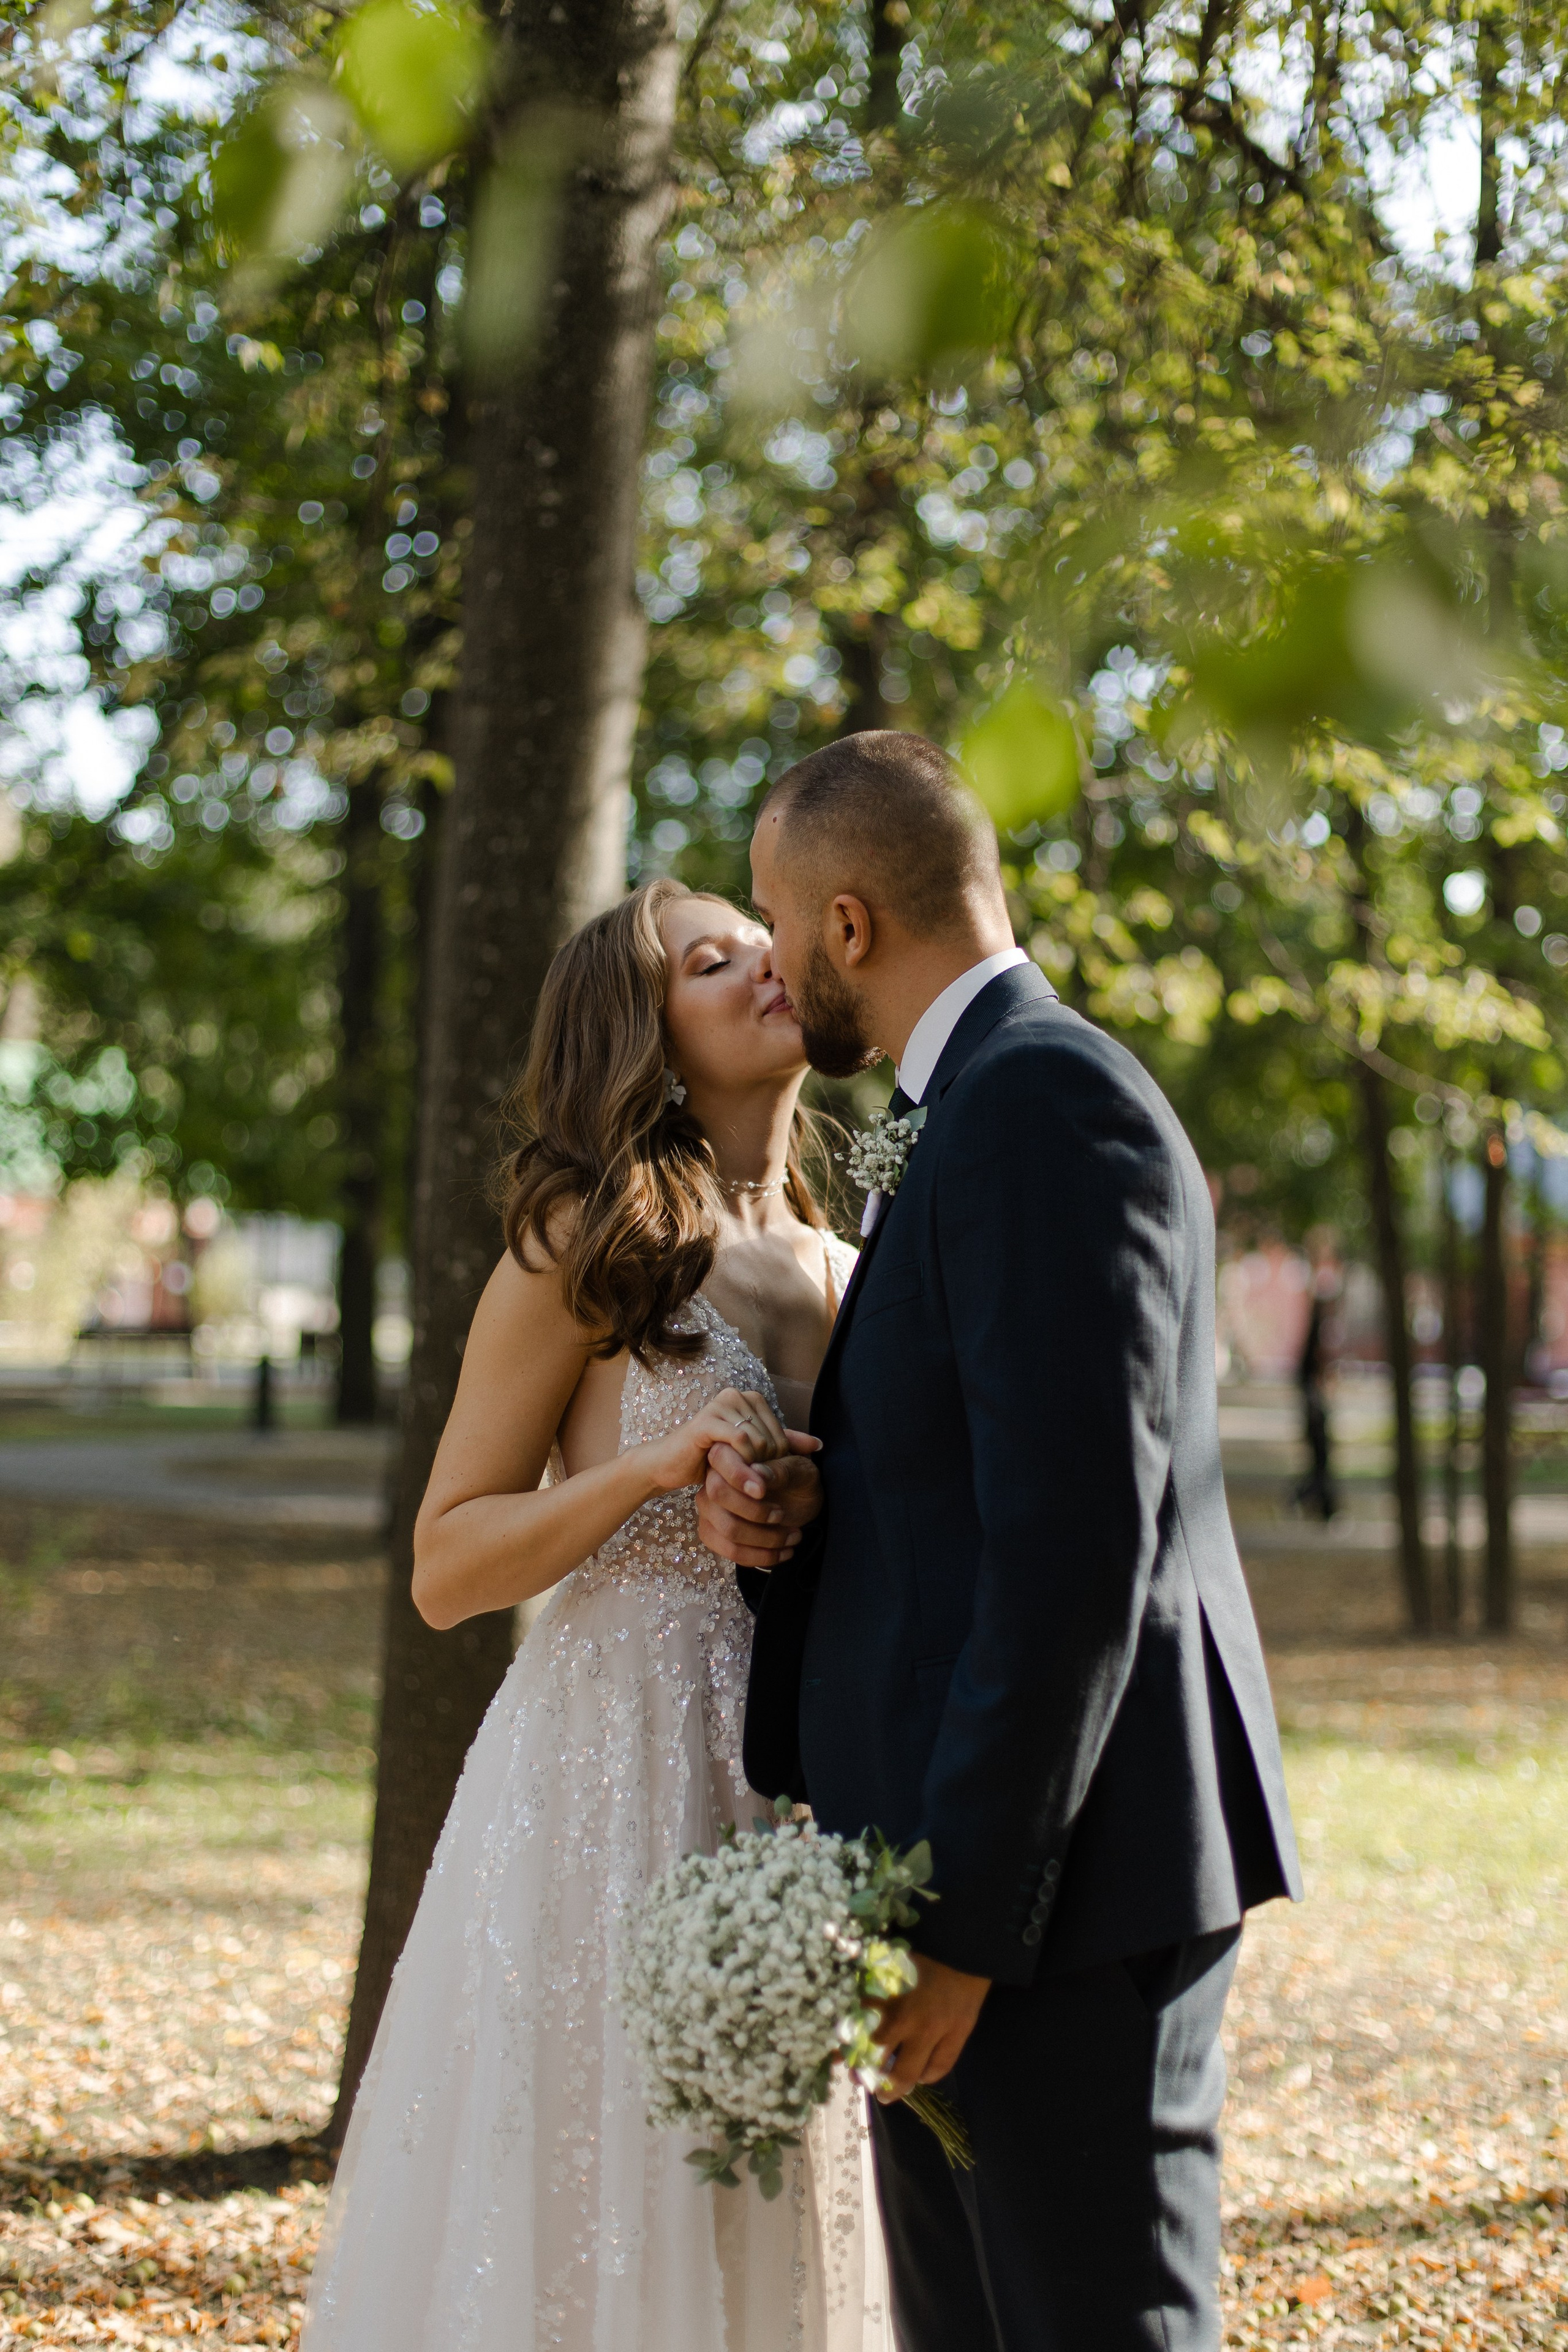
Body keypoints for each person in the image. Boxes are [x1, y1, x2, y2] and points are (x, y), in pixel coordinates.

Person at [699, 733, 1303, 2352]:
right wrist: (822, 1498)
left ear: (847, 925)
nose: (765, 959)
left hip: (1059, 1899)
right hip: (949, 1878)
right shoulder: (930, 1114)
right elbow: (955, 1446)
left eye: (773, 917)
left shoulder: (1042, 1098)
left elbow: (1074, 1545)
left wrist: (964, 1924)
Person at [305, 879, 892, 2352]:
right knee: (596, 2185)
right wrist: (646, 1471)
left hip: (802, 1787)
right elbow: (448, 1562)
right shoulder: (585, 1242)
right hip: (607, 1773)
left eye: (760, 939)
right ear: (645, 1035)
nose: (767, 961)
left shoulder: (858, 1270)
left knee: (766, 2201)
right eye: (713, 960)